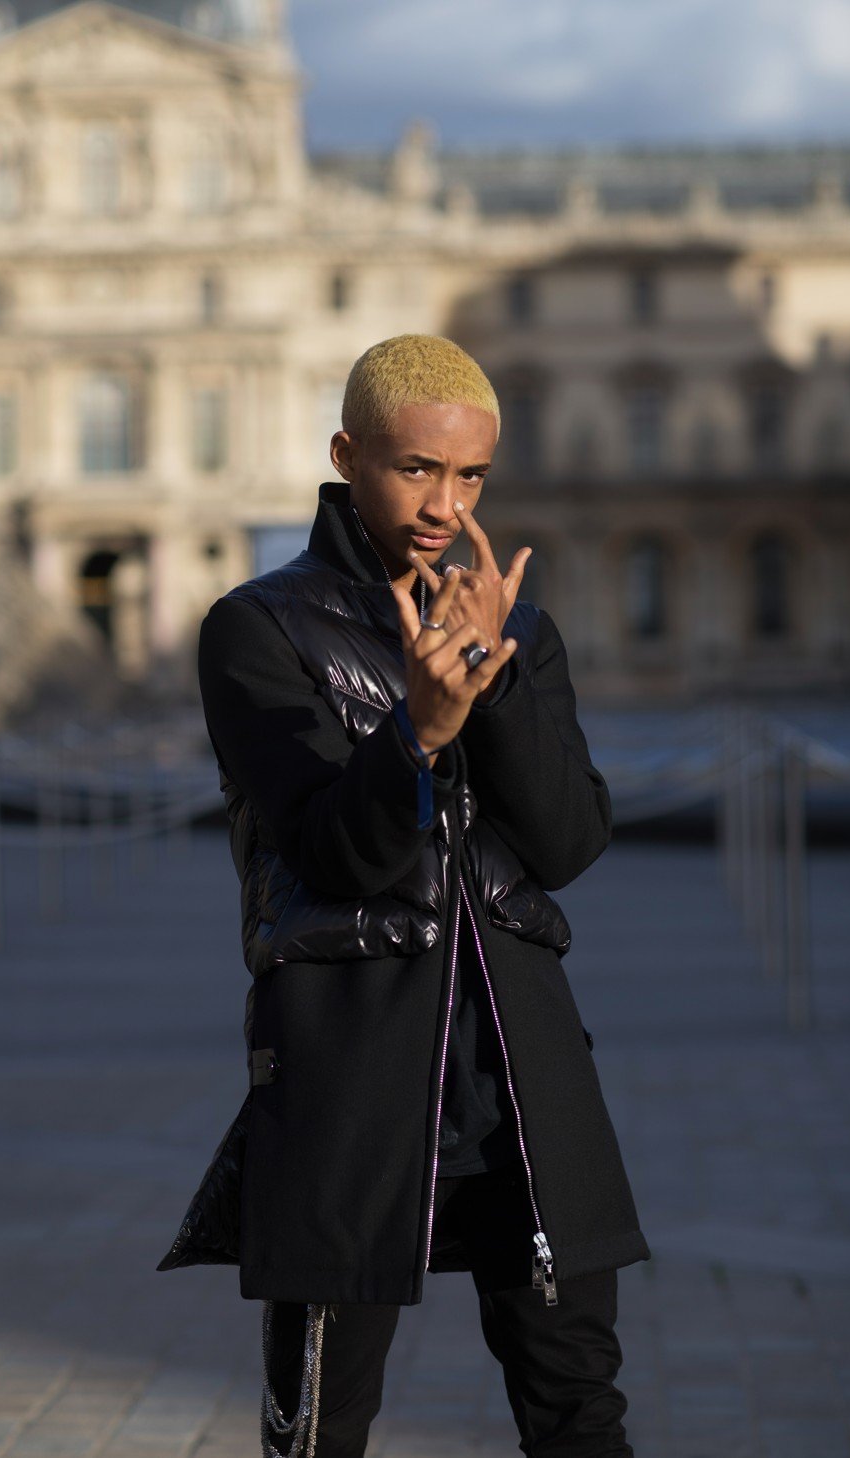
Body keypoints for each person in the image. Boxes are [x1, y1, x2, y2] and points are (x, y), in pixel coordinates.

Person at [196, 334, 650, 1458]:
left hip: (524, 1074)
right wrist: (416, 732)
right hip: (351, 1067)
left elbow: (571, 839)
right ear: (348, 454)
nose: (447, 504)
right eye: (417, 469)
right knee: (319, 1423)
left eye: (472, 477)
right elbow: (330, 854)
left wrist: (489, 687)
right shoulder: (257, 629)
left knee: (580, 1407)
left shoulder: (520, 630)